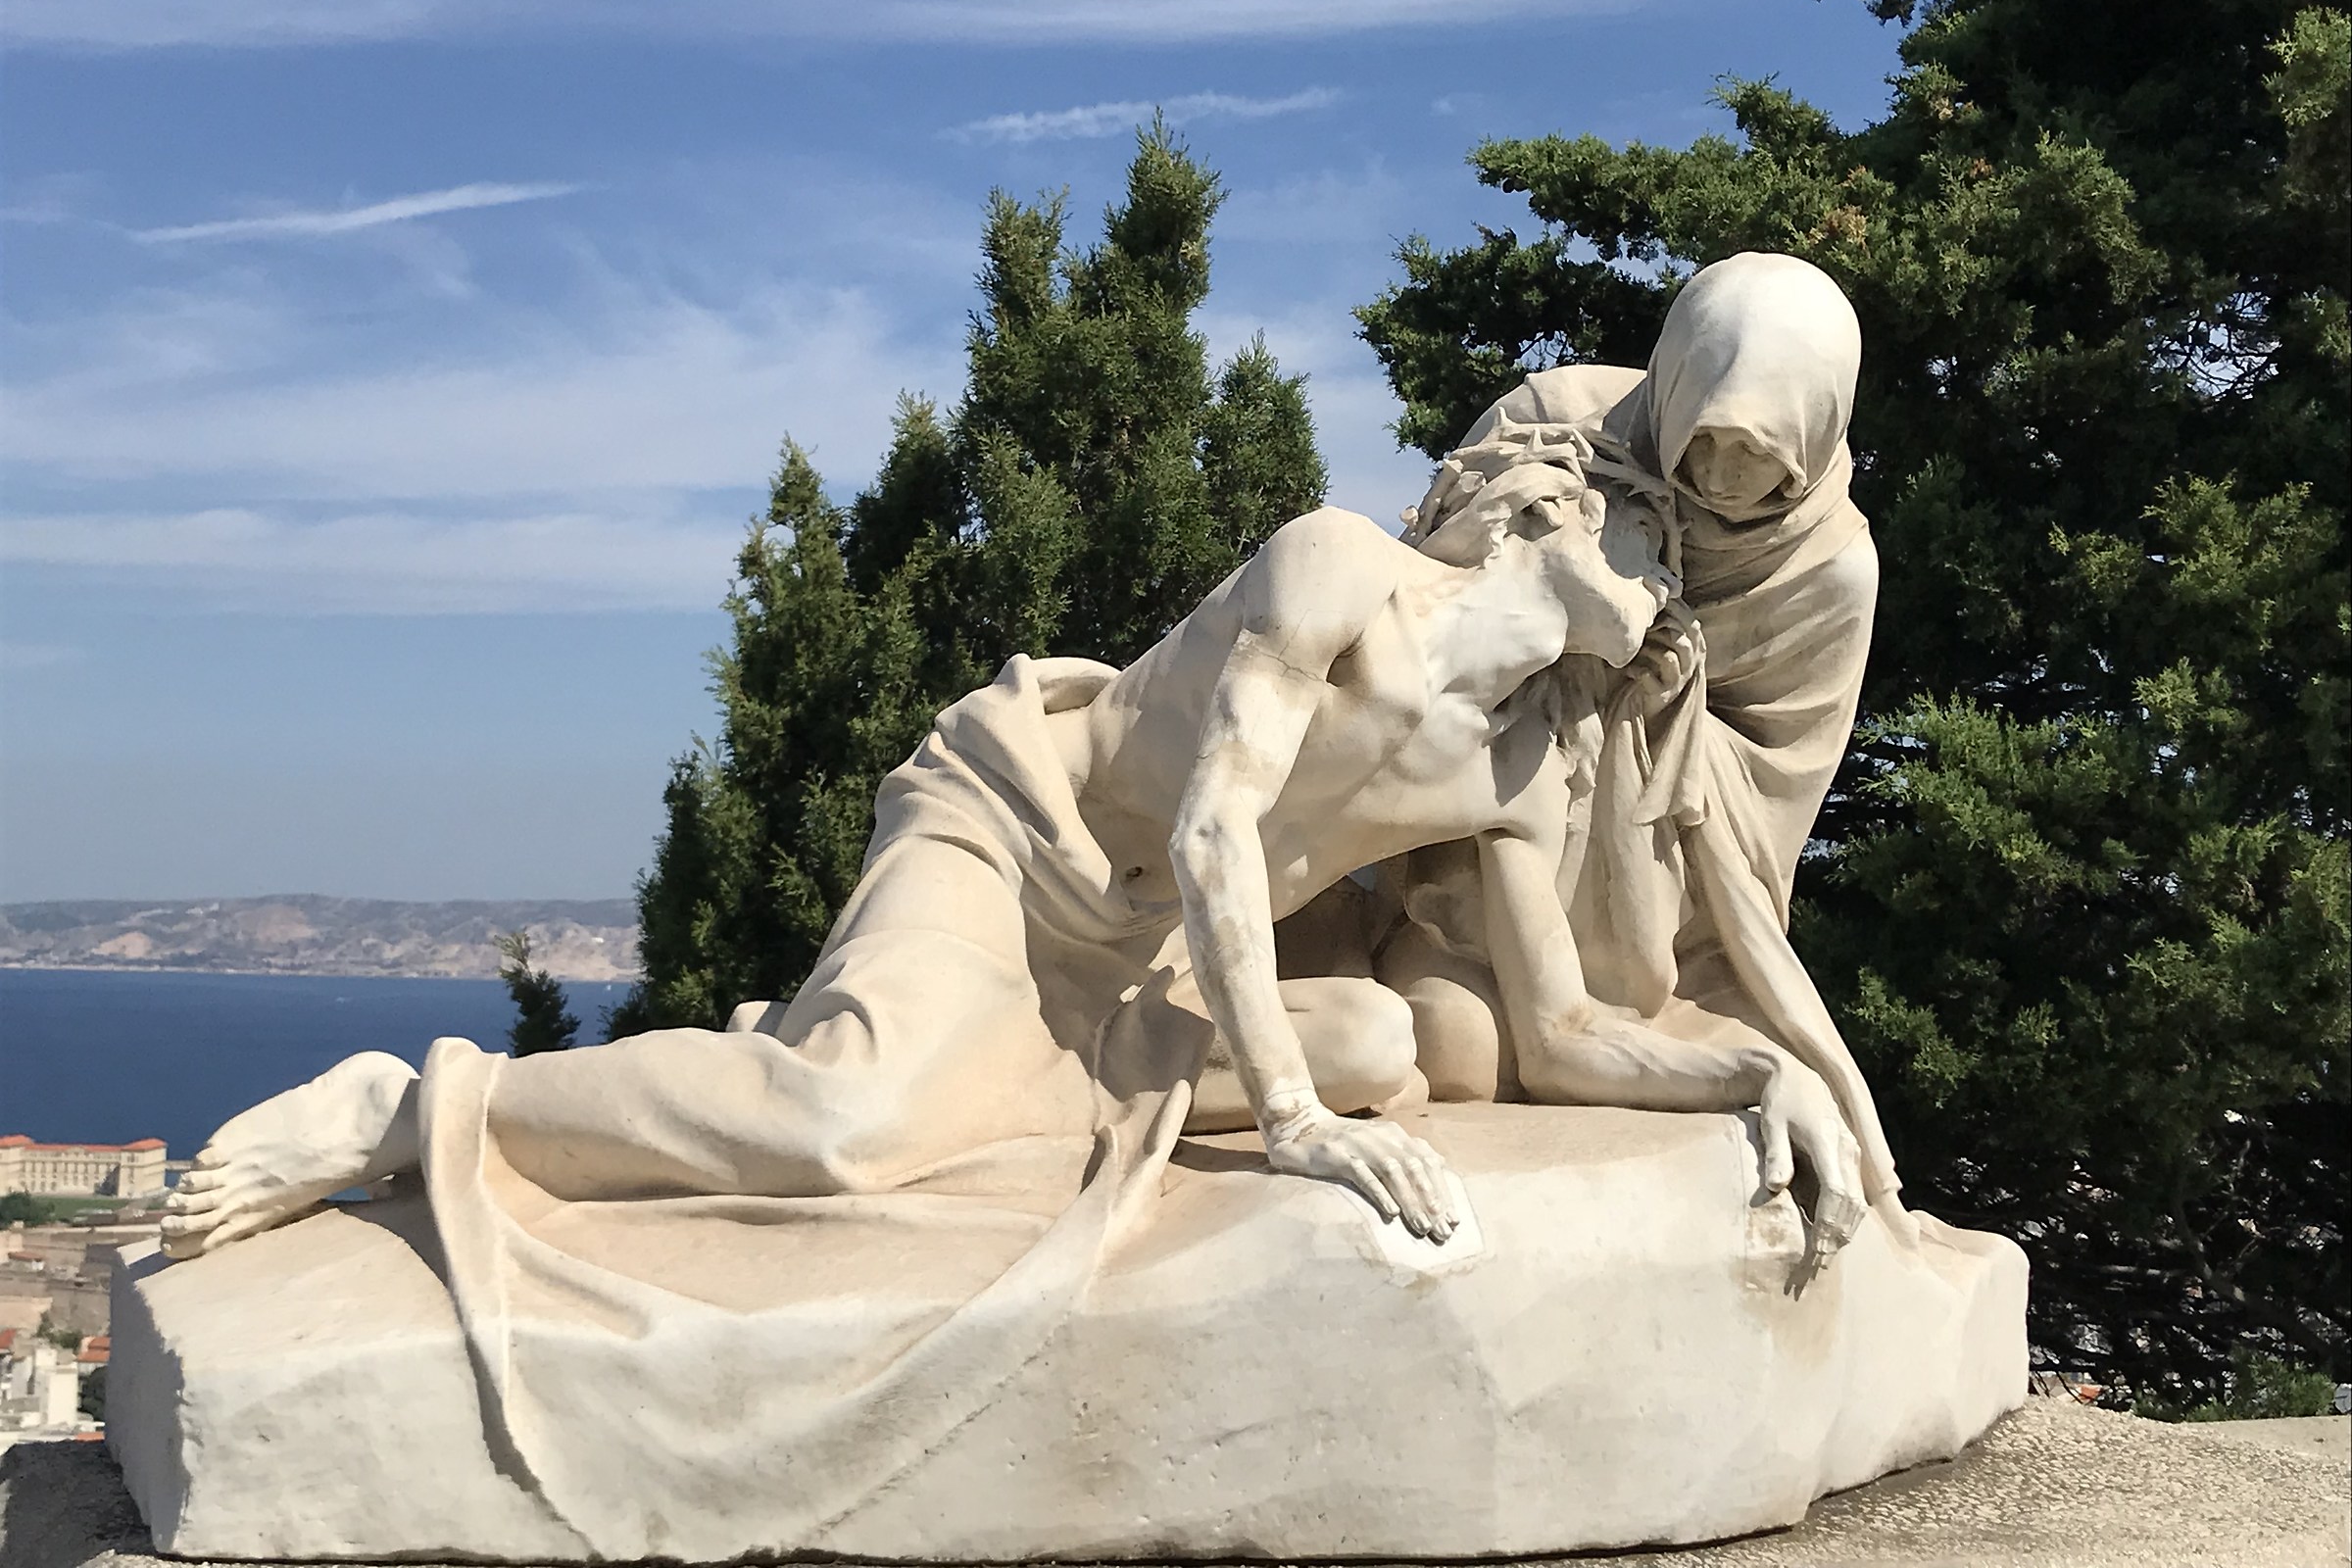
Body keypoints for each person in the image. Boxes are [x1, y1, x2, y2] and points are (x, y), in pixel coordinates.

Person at [164, 422, 1863, 1267]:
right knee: (842, 1128)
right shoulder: (1342, 566)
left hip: (1149, 963)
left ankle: (959, 1056)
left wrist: (1743, 1079)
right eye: (1654, 535)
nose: (1673, 582)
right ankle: (414, 1104)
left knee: (1405, 1045)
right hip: (1017, 835)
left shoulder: (1521, 765)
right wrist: (1290, 1129)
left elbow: (1562, 1033)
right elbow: (1212, 827)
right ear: (1564, 515)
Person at [1379, 251, 1906, 1250]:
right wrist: (1562, 623)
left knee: (1506, 1038)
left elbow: (1776, 775)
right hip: (1494, 809)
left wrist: (1659, 699)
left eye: (1760, 476)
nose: (1715, 491)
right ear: (1672, 393)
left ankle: (1620, 1018)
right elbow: (1424, 617)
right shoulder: (1550, 424)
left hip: (1660, 867)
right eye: (1701, 453)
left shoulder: (1830, 572)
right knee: (1450, 1048)